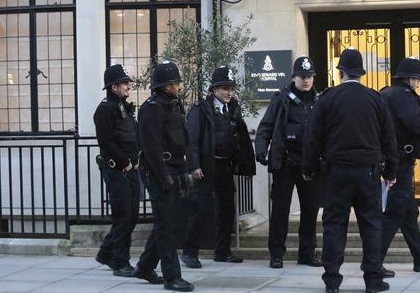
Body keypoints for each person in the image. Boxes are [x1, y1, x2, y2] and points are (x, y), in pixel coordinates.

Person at [303, 48, 398, 293]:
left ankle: (332, 280)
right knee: (371, 225)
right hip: (368, 172)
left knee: (334, 225)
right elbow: (389, 138)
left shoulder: (326, 98)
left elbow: (312, 138)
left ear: (341, 72)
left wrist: (309, 169)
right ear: (361, 73)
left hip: (336, 172)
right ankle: (373, 280)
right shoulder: (375, 99)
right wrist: (391, 171)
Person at [181, 66, 256, 268]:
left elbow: (241, 140)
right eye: (224, 88)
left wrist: (247, 167)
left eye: (231, 88)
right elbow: (192, 139)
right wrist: (194, 165)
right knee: (199, 209)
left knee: (227, 209)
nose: (229, 92)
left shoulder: (232, 109)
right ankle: (189, 253)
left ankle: (222, 251)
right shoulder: (201, 109)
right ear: (214, 90)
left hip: (224, 166)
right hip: (205, 166)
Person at [379, 57, 420, 277]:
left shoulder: (386, 93)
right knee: (395, 213)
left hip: (391, 158)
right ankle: (374, 262)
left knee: (408, 213)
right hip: (401, 161)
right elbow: (412, 122)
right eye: (418, 80)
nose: (418, 84)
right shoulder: (404, 95)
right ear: (410, 79)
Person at [256, 56, 322, 269]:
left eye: (310, 76)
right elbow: (265, 127)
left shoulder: (319, 100)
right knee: (280, 212)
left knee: (310, 211)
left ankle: (307, 253)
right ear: (294, 77)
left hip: (309, 165)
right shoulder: (281, 99)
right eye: (302, 76)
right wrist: (261, 149)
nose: (306, 80)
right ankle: (276, 255)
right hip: (285, 163)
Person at [133, 61, 194, 292]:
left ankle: (145, 266)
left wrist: (184, 169)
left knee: (170, 222)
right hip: (159, 170)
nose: (179, 85)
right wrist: (164, 176)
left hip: (175, 167)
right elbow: (151, 146)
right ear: (166, 85)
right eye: (176, 82)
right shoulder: (152, 108)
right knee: (167, 225)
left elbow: (180, 139)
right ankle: (172, 277)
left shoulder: (173, 104)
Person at [93, 64, 140, 278]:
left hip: (130, 168)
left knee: (131, 216)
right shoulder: (105, 109)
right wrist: (125, 163)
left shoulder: (122, 106)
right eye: (124, 83)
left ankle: (105, 253)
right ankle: (120, 262)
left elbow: (131, 135)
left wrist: (136, 159)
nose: (128, 86)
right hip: (117, 170)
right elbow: (107, 142)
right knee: (123, 217)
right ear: (113, 87)